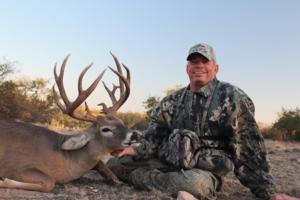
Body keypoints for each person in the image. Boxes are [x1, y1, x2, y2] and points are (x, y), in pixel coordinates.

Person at [108, 43, 299, 200]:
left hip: (203, 172)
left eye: (204, 61)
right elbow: (154, 138)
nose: (199, 65)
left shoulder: (232, 97)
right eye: (194, 61)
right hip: (166, 161)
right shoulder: (171, 101)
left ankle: (138, 178)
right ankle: (155, 179)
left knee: (193, 185)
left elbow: (248, 147)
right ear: (187, 68)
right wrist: (132, 150)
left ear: (215, 68)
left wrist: (269, 193)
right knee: (114, 163)